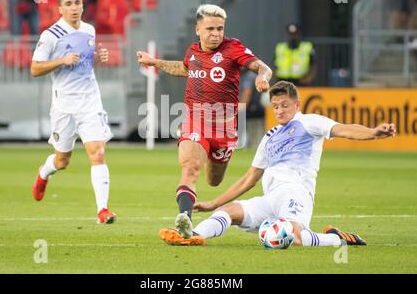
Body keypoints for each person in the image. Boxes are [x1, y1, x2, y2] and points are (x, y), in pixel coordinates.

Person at [159, 81, 396, 246]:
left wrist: (374, 132)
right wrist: (213, 203)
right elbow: (250, 178)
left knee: (293, 238)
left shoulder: (309, 122)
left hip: (296, 192)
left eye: (285, 105)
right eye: (276, 106)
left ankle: (336, 239)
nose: (280, 110)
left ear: (297, 104)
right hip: (270, 199)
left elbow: (344, 129)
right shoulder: (270, 136)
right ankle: (191, 235)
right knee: (227, 212)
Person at [136, 4, 272, 239]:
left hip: (225, 126)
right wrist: (155, 62)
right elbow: (186, 67)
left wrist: (262, 75)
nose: (216, 33)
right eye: (210, 28)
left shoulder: (233, 48)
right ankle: (185, 219)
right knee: (190, 168)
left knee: (214, 181)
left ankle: (200, 191)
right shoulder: (192, 51)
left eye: (220, 28)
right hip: (194, 119)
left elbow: (262, 66)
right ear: (198, 29)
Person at [30, 0, 116, 224]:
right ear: (60, 9)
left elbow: (85, 65)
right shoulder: (51, 35)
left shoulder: (89, 30)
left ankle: (102, 210)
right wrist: (61, 60)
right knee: (62, 161)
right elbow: (35, 68)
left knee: (97, 153)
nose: (74, 8)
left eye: (77, 3)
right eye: (68, 4)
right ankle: (43, 174)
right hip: (64, 107)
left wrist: (97, 59)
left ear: (82, 5)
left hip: (90, 102)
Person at [238, 70, 268, 148]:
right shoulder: (249, 75)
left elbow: (247, 93)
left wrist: (238, 110)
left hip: (253, 112)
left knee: (255, 144)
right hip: (255, 111)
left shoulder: (249, 76)